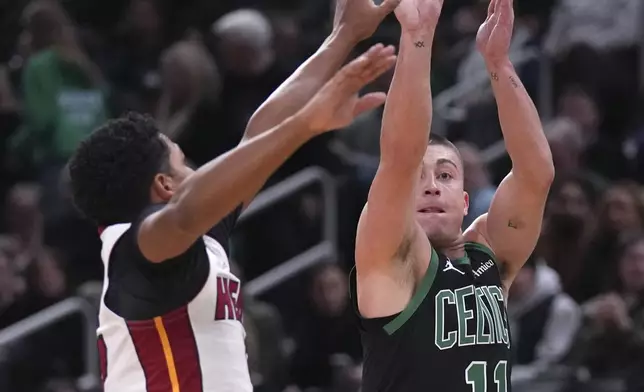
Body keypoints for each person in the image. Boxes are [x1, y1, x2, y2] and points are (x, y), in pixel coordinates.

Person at [67, 0, 400, 389]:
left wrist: (343, 37)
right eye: (183, 161)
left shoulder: (194, 239)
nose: (198, 166)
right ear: (165, 186)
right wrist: (306, 124)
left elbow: (257, 136)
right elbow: (184, 214)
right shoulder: (137, 249)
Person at [350, 0, 554, 391]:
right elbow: (399, 158)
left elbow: (536, 173)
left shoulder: (490, 257)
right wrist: (418, 38)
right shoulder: (392, 260)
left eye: (445, 175)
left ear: (465, 201)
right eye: (419, 179)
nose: (430, 185)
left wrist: (498, 64)